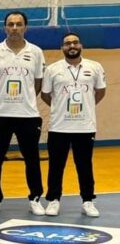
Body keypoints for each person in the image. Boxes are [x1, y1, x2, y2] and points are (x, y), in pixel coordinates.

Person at [0, 11, 46, 216]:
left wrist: (24, 99)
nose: (15, 28)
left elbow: (38, 83)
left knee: (32, 158)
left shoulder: (36, 52)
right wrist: (3, 98)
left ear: (25, 27)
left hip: (28, 115)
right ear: (5, 27)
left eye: (19, 24)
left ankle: (35, 198)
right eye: (11, 24)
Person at [41, 32, 106, 217]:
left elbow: (100, 92)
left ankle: (88, 201)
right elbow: (46, 95)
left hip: (85, 127)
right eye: (67, 43)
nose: (72, 46)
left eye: (75, 42)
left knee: (84, 165)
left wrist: (87, 107)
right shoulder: (52, 69)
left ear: (81, 46)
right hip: (59, 126)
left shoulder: (95, 67)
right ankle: (53, 200)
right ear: (62, 48)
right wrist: (60, 108)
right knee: (56, 165)